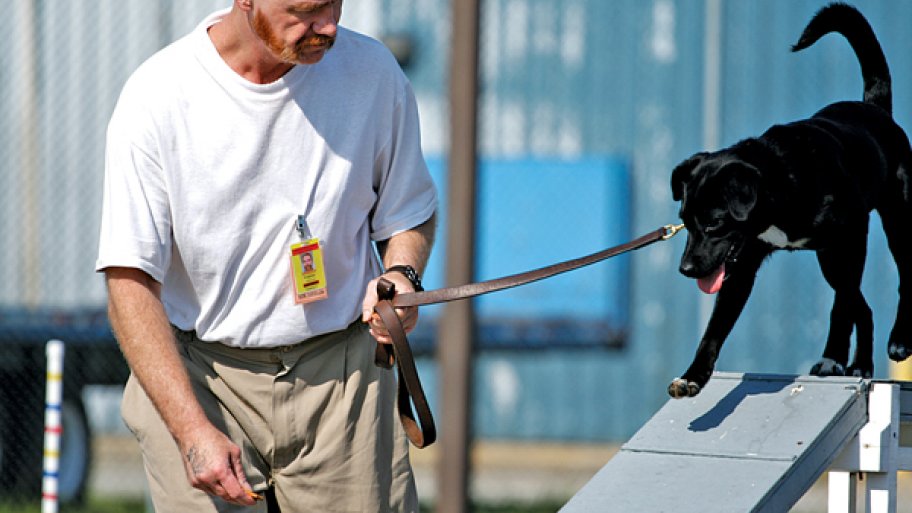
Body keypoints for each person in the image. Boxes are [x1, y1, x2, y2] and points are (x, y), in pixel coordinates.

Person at [95, 0, 437, 511]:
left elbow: (409, 211)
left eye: (334, 5)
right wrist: (191, 430)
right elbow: (129, 283)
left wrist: (402, 273)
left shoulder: (373, 73)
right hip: (203, 376)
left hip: (343, 379)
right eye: (305, 11)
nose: (328, 27)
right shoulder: (158, 96)